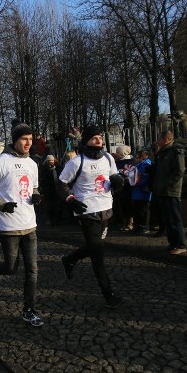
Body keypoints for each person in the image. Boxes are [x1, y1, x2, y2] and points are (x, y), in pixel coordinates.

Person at [0, 123, 44, 326]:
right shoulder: (1, 162)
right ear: (15, 140)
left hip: (29, 224)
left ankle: (28, 309)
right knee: (10, 268)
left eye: (31, 139)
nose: (28, 143)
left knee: (32, 269)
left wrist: (36, 197)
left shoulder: (33, 164)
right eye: (24, 139)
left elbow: (34, 189)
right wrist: (2, 205)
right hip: (8, 226)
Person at [57, 126, 125, 308]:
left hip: (106, 209)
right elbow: (61, 184)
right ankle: (108, 294)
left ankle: (69, 259)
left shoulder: (109, 158)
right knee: (97, 253)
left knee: (95, 247)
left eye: (100, 137)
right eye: (94, 137)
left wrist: (118, 182)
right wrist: (71, 200)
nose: (98, 140)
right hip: (87, 211)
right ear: (85, 140)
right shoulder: (76, 162)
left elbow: (114, 178)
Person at [151, 130, 187, 254]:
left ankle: (181, 244)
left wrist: (169, 185)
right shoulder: (162, 152)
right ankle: (173, 244)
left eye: (159, 139)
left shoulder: (175, 151)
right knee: (167, 219)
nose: (158, 141)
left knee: (174, 219)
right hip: (162, 191)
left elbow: (179, 170)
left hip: (171, 191)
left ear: (166, 139)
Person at [130, 150, 153, 234]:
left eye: (137, 157)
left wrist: (136, 182)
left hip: (143, 192)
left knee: (143, 210)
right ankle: (137, 227)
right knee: (137, 210)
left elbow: (146, 178)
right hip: (137, 192)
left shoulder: (147, 164)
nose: (136, 158)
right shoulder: (140, 164)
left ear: (142, 157)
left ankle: (144, 227)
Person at [113, 145, 134, 231]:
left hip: (128, 186)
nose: (117, 154)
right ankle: (123, 223)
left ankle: (130, 223)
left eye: (118, 152)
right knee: (122, 205)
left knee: (129, 205)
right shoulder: (117, 162)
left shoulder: (131, 161)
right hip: (120, 187)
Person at [39, 154, 62, 226]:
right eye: (50, 161)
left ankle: (58, 220)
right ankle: (52, 220)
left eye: (52, 161)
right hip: (49, 190)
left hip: (57, 189)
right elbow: (43, 180)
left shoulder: (58, 168)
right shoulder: (44, 169)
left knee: (58, 205)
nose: (51, 162)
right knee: (50, 206)